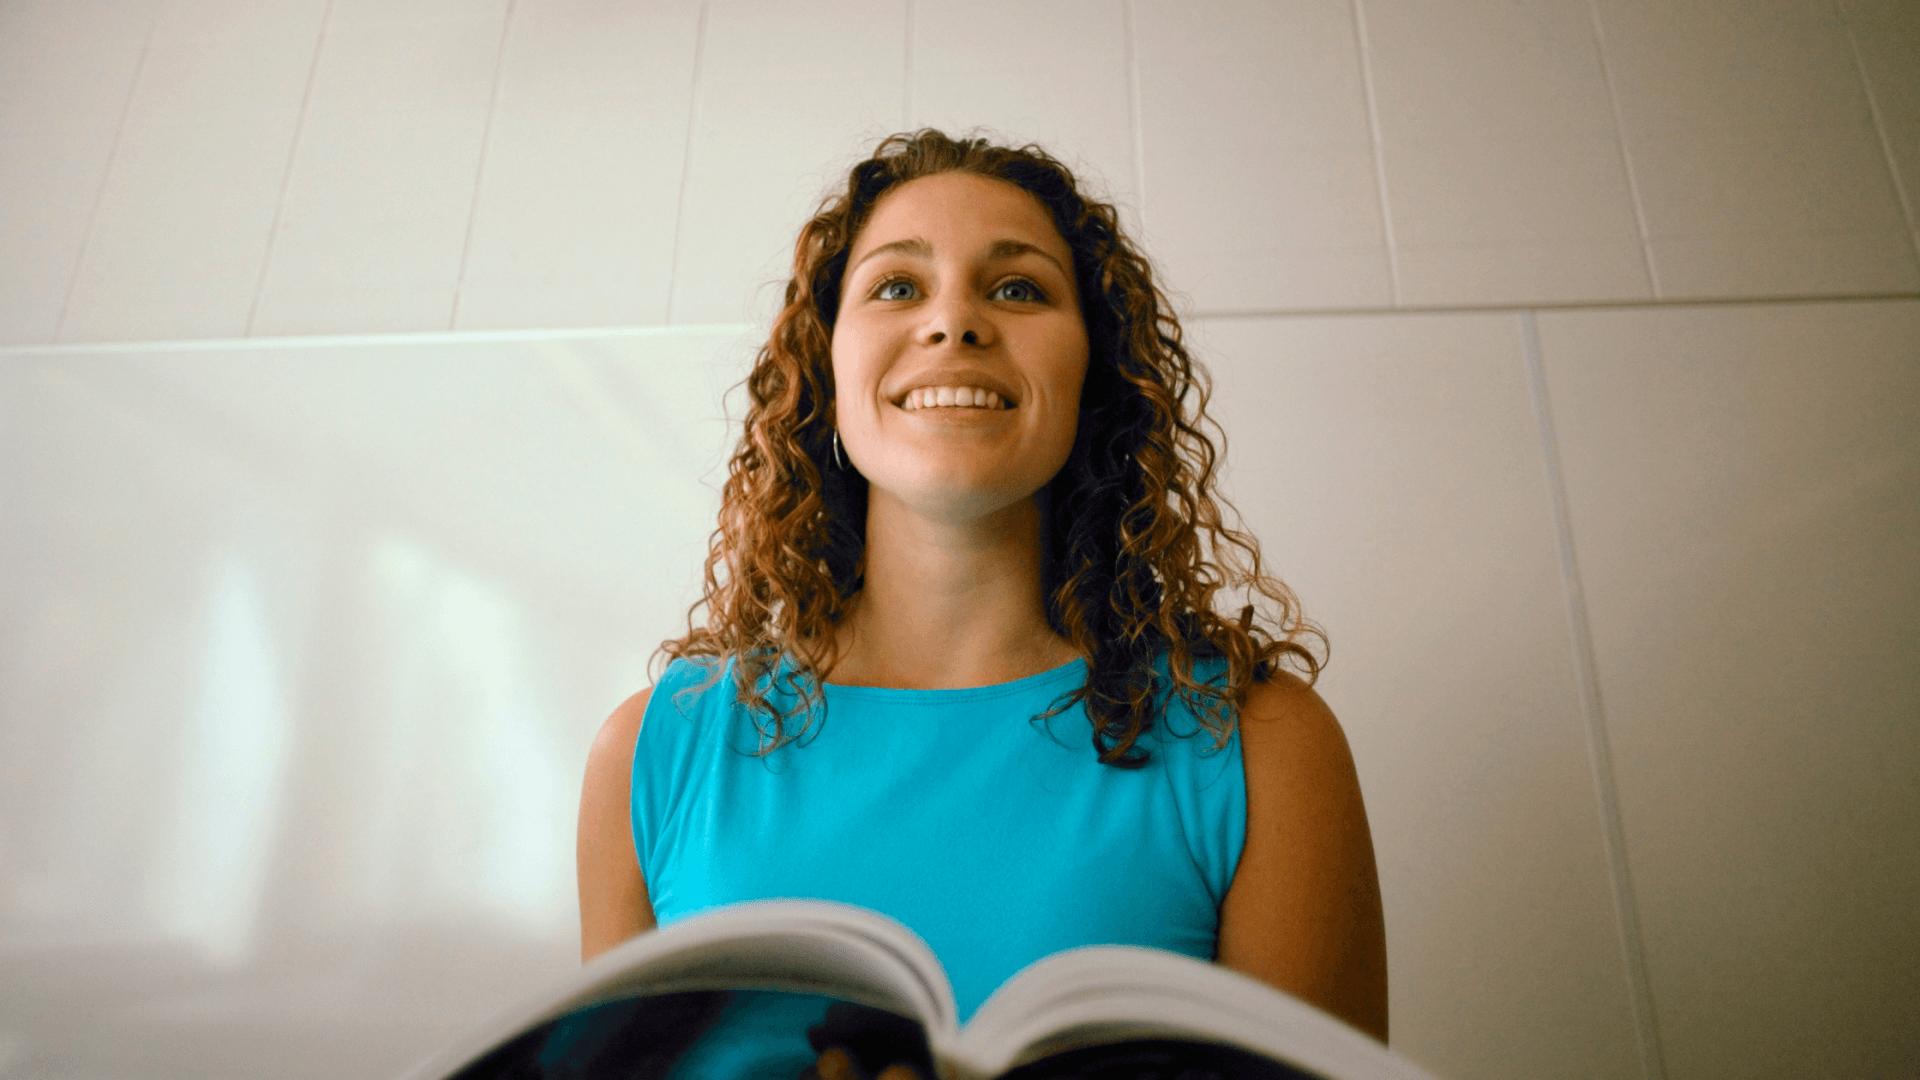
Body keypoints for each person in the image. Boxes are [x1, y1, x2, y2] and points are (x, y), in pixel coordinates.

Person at [576, 130, 1387, 1077]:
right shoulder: (651, 755)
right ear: (823, 367)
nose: (953, 322)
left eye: (1018, 288)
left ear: (1096, 373)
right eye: (896, 286)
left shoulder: (1259, 743)